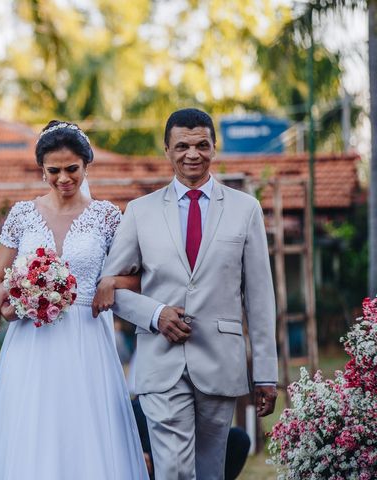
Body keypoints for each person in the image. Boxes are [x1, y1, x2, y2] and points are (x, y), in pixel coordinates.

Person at [100, 108, 278, 479]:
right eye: (182, 145)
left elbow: (260, 298)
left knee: (210, 470)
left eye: (201, 145)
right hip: (160, 361)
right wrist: (156, 314)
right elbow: (108, 285)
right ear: (167, 150)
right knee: (175, 470)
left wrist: (265, 374)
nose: (192, 154)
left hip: (219, 360)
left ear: (215, 147)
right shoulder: (139, 212)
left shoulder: (246, 210)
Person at [0, 120, 149, 479]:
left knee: (84, 429)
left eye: (72, 169)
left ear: (87, 166)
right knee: (33, 430)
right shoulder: (23, 215)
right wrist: (14, 297)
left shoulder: (106, 217)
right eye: (53, 170)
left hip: (86, 337)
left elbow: (137, 275)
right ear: (42, 170)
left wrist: (111, 282)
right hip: (32, 341)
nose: (63, 178)